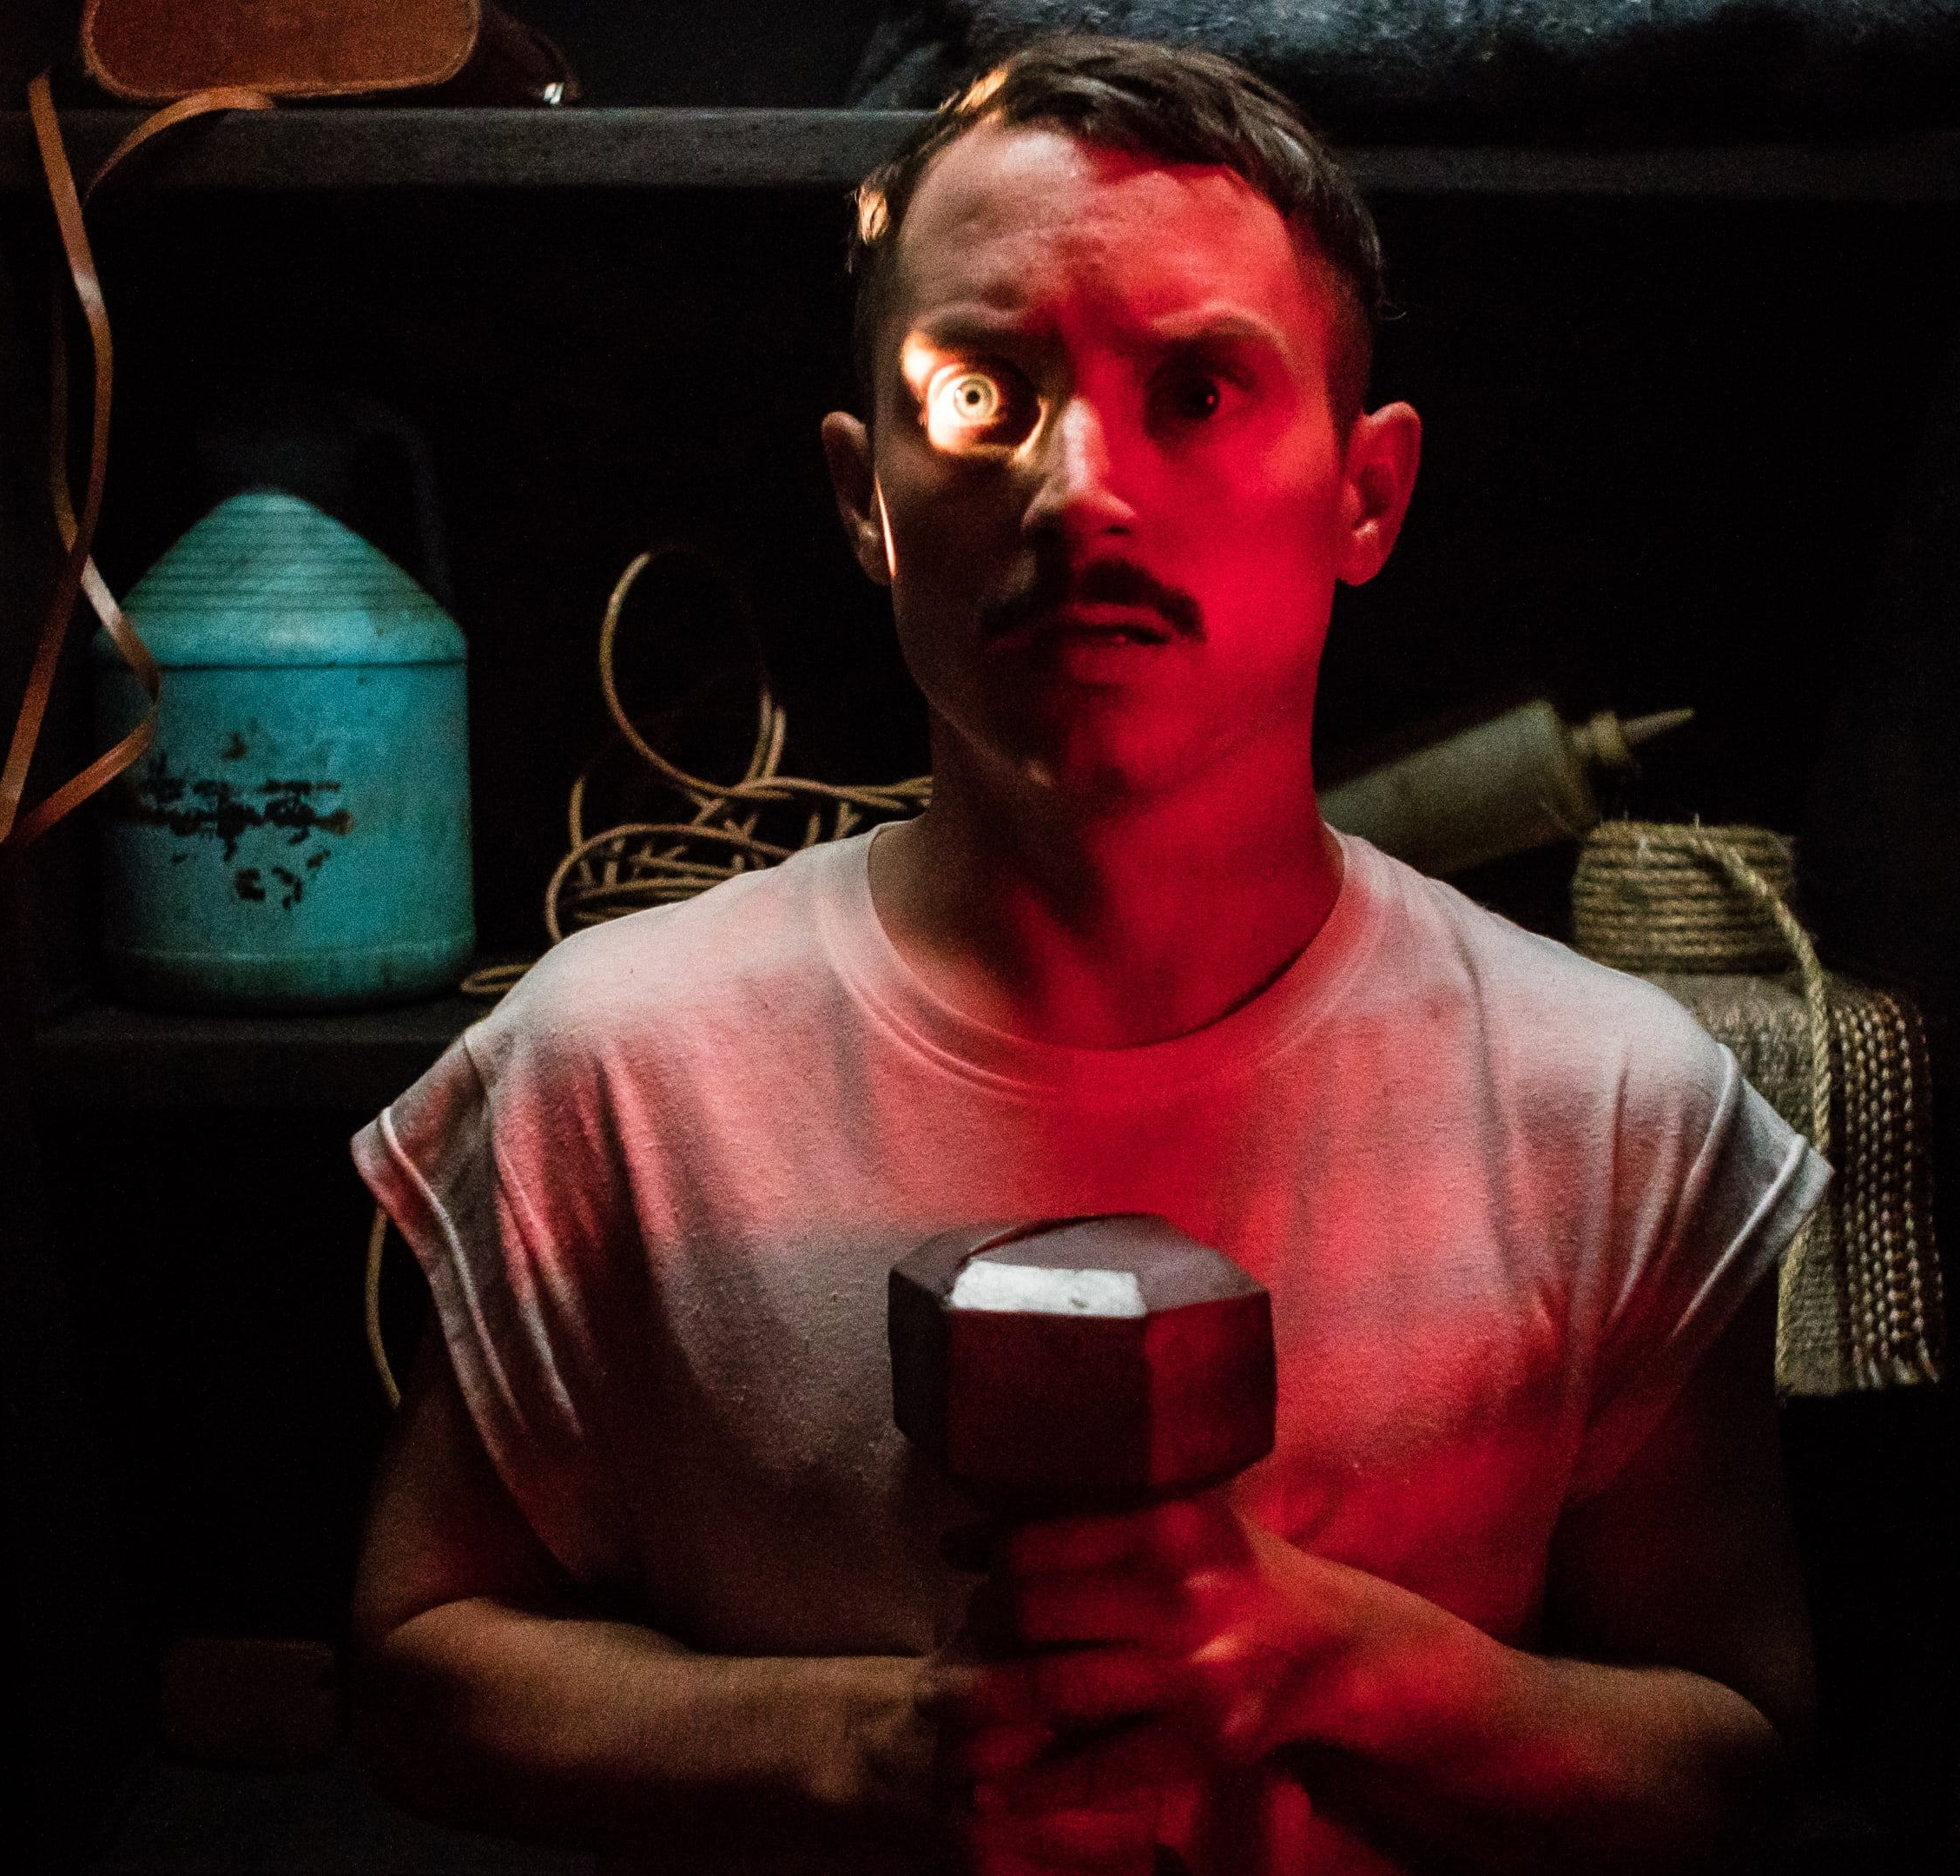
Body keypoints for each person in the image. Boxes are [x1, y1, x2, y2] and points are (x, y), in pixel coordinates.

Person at [347, 35, 1823, 1875]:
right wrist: (873, 1747)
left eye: (1198, 393)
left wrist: (1327, 1664)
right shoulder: (619, 1072)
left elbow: (1731, 1754)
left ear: (1366, 492)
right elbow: (413, 1670)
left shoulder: (1612, 1107)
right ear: (864, 496)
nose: (1079, 492)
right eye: (981, 392)